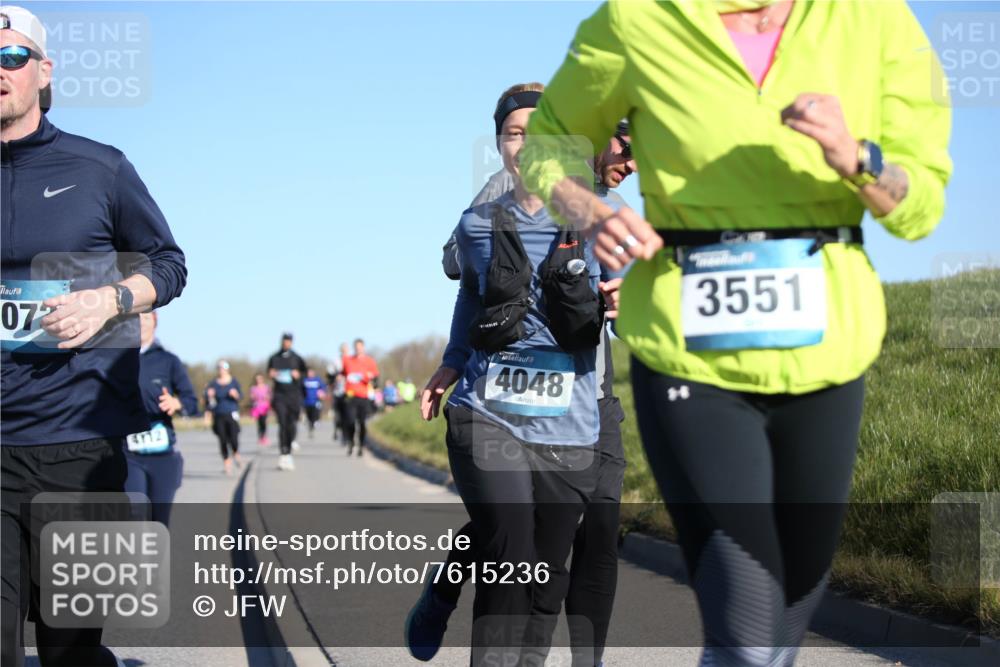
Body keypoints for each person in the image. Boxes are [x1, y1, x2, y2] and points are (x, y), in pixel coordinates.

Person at [518, 2, 952, 665]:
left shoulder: (875, 19)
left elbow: (920, 205)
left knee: (784, 624)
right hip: (690, 352)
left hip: (828, 350)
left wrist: (854, 154)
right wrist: (589, 208)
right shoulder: (638, 20)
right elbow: (550, 140)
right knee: (748, 633)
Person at [412, 82, 625, 665]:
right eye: (514, 135)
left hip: (575, 413)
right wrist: (453, 361)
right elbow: (470, 288)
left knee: (547, 567)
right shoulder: (481, 216)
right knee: (509, 553)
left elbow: (641, 297)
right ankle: (451, 603)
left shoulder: (606, 215)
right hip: (489, 410)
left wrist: (626, 303)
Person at [1, 7, 187, 667]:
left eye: (11, 56)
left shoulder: (98, 167)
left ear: (43, 71)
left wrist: (110, 298)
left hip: (79, 452)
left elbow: (168, 264)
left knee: (70, 652)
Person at [123, 312, 198, 527]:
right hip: (128, 452)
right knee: (134, 514)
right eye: (135, 319)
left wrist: (177, 404)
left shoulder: (168, 361)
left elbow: (192, 402)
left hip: (162, 453)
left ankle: (155, 560)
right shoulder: (118, 359)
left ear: (154, 322)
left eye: (145, 318)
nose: (140, 323)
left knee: (159, 519)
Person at [268, 332, 306, 470]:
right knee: (282, 424)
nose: (286, 343)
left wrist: (298, 375)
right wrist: (271, 374)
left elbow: (305, 375)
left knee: (291, 424)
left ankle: (288, 451)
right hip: (279, 395)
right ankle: (283, 453)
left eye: (289, 341)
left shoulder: (297, 358)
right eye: (284, 341)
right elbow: (269, 372)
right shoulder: (274, 358)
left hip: (293, 396)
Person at [341, 338, 379, 456]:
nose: (358, 349)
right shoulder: (348, 360)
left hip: (363, 396)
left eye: (360, 347)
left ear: (363, 348)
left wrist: (371, 379)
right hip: (350, 396)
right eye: (356, 347)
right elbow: (341, 374)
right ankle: (351, 442)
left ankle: (361, 445)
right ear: (354, 348)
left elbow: (376, 379)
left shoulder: (370, 361)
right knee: (350, 421)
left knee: (362, 423)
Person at [205, 361, 242, 475]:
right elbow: (208, 402)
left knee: (233, 438)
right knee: (222, 439)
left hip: (231, 413)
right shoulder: (213, 384)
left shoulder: (234, 382)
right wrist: (209, 395)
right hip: (218, 414)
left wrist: (235, 394)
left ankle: (235, 452)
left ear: (228, 369)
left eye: (224, 368)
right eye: (219, 368)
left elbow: (240, 396)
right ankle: (227, 462)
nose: (221, 370)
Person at [302, 368, 326, 438]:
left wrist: (322, 393)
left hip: (316, 401)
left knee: (315, 413)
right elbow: (301, 389)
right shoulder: (304, 380)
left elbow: (323, 388)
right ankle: (311, 428)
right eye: (309, 372)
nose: (310, 374)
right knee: (309, 417)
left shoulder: (317, 380)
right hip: (307, 401)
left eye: (311, 372)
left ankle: (316, 421)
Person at [249, 373, 272, 446]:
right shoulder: (253, 388)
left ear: (262, 379)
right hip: (257, 407)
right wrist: (253, 397)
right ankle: (260, 437)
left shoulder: (266, 387)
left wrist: (267, 397)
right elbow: (251, 398)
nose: (258, 380)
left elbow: (270, 396)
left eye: (260, 378)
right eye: (257, 379)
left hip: (265, 406)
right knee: (259, 423)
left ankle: (264, 436)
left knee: (264, 422)